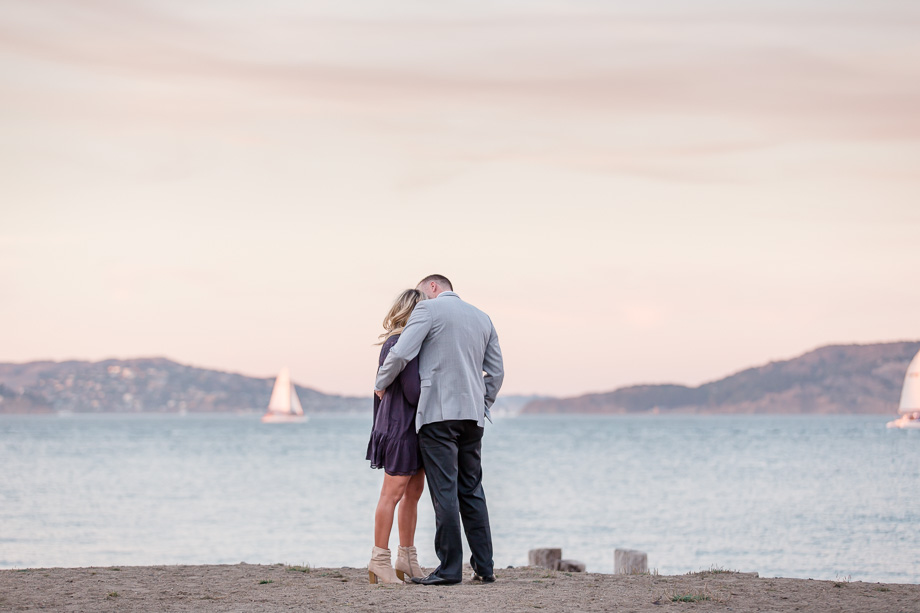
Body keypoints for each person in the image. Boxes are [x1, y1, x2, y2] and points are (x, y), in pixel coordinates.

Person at [374, 274, 504, 585]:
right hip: (472, 417)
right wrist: (481, 401)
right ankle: (484, 567)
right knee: (472, 490)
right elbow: (496, 372)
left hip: (437, 415)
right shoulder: (483, 318)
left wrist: (380, 383)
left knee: (444, 490)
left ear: (433, 287)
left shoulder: (428, 311)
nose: (420, 300)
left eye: (422, 292)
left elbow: (402, 353)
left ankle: (449, 569)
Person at [366, 289, 428, 585]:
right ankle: (380, 559)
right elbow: (413, 391)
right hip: (401, 428)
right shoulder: (399, 343)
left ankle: (407, 557)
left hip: (412, 428)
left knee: (413, 495)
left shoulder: (410, 343)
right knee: (392, 495)